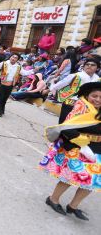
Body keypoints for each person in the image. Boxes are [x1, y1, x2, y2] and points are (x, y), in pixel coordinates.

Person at [40, 82, 101, 221]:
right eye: (94, 96)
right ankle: (53, 199)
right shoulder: (80, 108)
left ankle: (73, 206)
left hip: (97, 150)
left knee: (92, 182)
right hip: (78, 148)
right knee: (70, 178)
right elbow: (66, 128)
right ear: (87, 95)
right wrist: (83, 146)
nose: (98, 99)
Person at [50, 58, 100, 123]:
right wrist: (56, 94)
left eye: (93, 65)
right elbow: (58, 86)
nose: (89, 66)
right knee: (64, 125)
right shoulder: (75, 75)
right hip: (70, 103)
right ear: (83, 66)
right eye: (87, 64)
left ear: (98, 68)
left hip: (89, 106)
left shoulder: (98, 80)